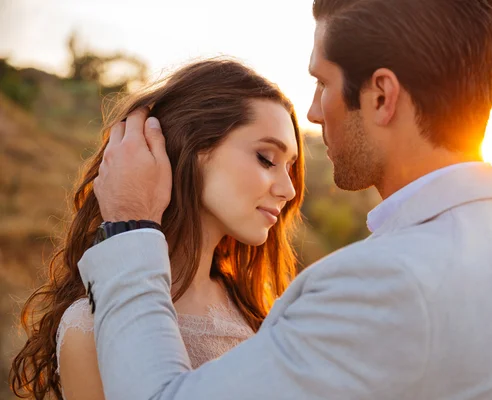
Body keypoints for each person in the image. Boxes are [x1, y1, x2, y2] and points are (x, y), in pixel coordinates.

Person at [79, 0, 492, 399]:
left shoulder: (385, 283)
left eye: (322, 82)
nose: (313, 111)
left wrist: (129, 227)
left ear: (381, 96)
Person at [9, 59, 304, 400]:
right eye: (267, 158)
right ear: (192, 147)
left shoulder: (261, 308)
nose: (289, 189)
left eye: (290, 167)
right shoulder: (91, 327)